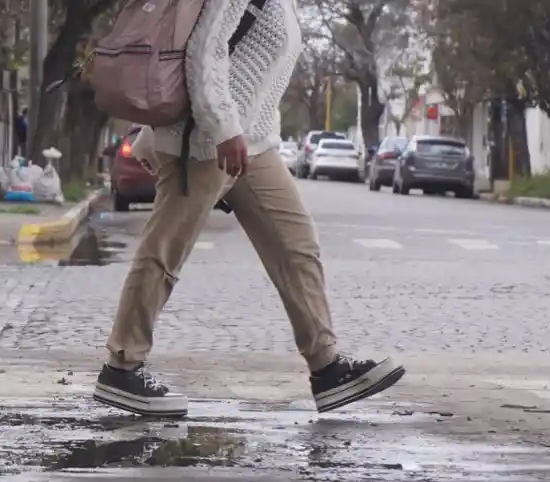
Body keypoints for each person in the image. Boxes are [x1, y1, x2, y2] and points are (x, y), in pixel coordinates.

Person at [92, 0, 405, 419]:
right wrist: (223, 128)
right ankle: (122, 366)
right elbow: (205, 52)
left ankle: (327, 367)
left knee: (296, 247)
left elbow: (255, 76)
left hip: (255, 144)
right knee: (164, 251)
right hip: (208, 143)